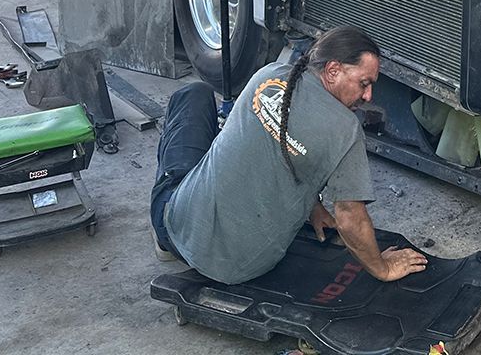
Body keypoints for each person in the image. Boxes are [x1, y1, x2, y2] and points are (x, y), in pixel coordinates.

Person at [149, 26, 428, 285]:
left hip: (177, 228)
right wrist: (382, 267)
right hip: (245, 268)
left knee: (193, 94)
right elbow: (349, 218)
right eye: (364, 83)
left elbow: (267, 146)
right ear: (333, 71)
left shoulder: (267, 75)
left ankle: (163, 242)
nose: (368, 96)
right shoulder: (346, 129)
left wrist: (312, 206)